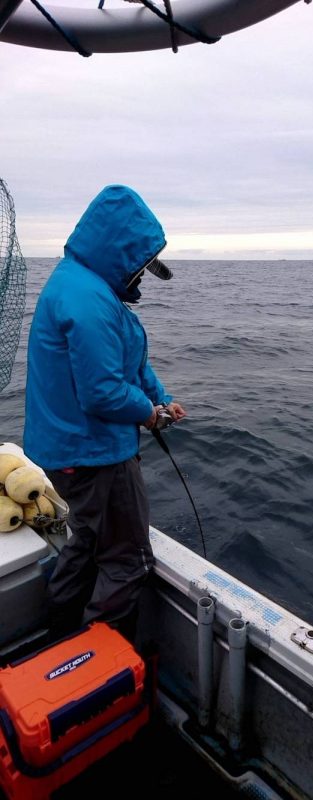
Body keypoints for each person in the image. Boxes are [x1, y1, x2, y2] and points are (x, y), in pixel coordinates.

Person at [23, 184, 186, 643]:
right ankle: (96, 658)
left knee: (86, 543)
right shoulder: (89, 300)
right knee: (127, 561)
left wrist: (160, 398)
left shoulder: (80, 283)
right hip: (94, 455)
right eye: (140, 264)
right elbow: (102, 393)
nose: (141, 275)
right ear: (121, 251)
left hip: (68, 450)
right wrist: (149, 415)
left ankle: (60, 638)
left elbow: (125, 362)